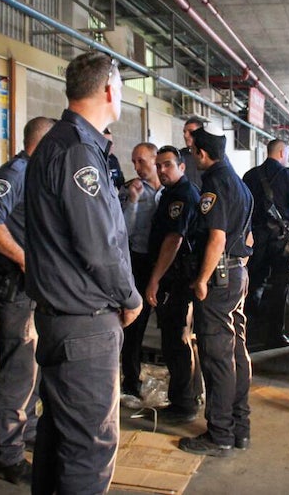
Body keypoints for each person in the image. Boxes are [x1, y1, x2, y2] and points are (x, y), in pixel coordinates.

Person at [24, 51, 142, 494]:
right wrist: (130, 297)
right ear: (109, 91)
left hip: (62, 321)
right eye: (122, 88)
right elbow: (99, 247)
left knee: (58, 437)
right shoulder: (78, 152)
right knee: (90, 449)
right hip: (84, 326)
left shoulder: (60, 143)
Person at [0, 116, 55, 485]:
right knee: (18, 368)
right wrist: (27, 260)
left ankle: (27, 431)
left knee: (33, 366)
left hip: (35, 287)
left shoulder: (36, 173)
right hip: (18, 286)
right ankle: (7, 454)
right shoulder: (15, 173)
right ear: (43, 141)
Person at [178, 127, 254, 457]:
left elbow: (217, 238)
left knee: (217, 356)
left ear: (202, 155)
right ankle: (239, 427)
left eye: (193, 153)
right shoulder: (240, 184)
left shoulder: (214, 182)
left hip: (220, 278)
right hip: (238, 274)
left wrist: (202, 280)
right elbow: (250, 238)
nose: (193, 159)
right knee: (236, 349)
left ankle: (219, 434)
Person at [144, 145, 201, 424]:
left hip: (175, 279)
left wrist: (154, 280)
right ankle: (185, 398)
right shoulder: (170, 194)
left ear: (182, 166)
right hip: (172, 277)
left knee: (176, 341)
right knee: (173, 339)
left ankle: (184, 405)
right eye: (158, 166)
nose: (161, 170)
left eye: (167, 165)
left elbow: (173, 241)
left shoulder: (183, 196)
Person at [243, 139, 289, 349]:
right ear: (282, 153)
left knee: (254, 284)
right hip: (282, 241)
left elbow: (244, 208)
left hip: (255, 239)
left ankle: (250, 332)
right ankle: (275, 334)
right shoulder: (288, 176)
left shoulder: (250, 176)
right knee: (281, 286)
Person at [118, 142, 162, 407]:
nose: (137, 167)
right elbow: (122, 230)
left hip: (166, 265)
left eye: (142, 161)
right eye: (134, 162)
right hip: (140, 262)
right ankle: (130, 381)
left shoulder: (169, 189)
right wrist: (133, 202)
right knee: (134, 324)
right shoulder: (130, 189)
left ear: (156, 161)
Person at [179, 116, 205, 189]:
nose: (185, 135)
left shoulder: (212, 156)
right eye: (184, 132)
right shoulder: (179, 155)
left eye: (191, 132)